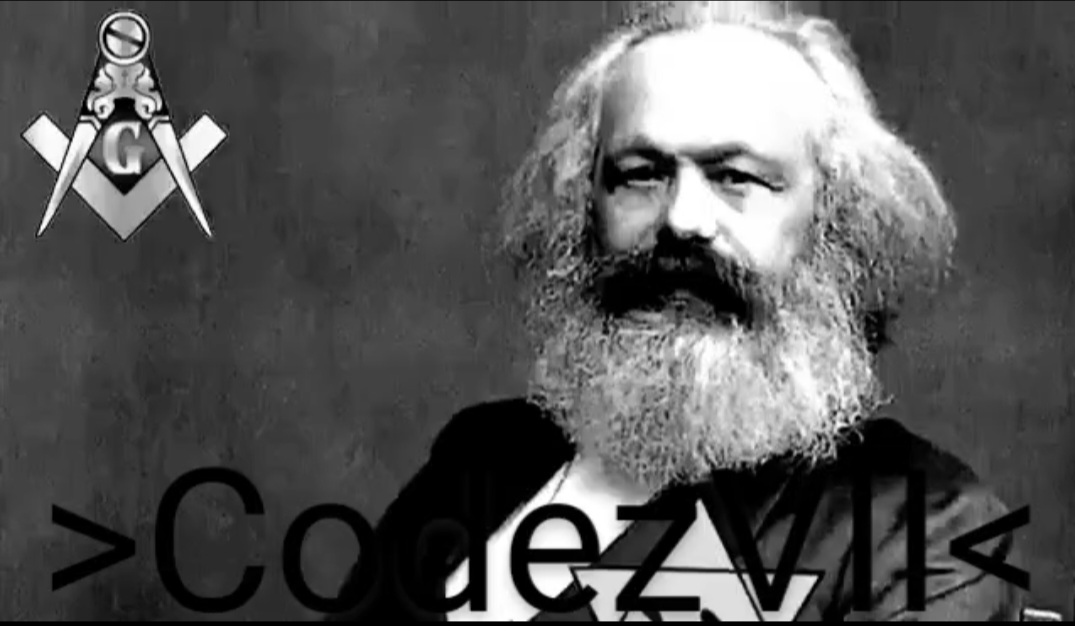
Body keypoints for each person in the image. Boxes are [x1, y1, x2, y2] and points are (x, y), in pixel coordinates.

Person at [329, 1, 1026, 621]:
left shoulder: (931, 525)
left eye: (736, 178)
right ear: (584, 211)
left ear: (834, 221)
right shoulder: (480, 460)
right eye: (640, 175)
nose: (682, 219)